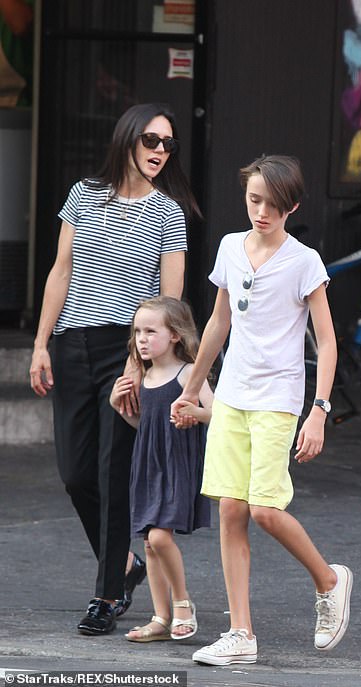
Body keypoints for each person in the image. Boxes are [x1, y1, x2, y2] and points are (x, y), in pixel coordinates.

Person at [170, 154, 353, 666]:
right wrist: (194, 384)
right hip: (232, 394)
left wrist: (318, 411)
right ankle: (242, 635)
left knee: (265, 511)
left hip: (278, 399)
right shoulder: (230, 247)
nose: (262, 212)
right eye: (254, 200)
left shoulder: (304, 261)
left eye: (273, 204)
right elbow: (218, 323)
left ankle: (330, 580)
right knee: (230, 509)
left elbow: (328, 342)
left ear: (291, 205)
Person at [29, 102, 200, 636]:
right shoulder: (83, 195)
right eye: (151, 140)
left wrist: (138, 361)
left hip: (129, 350)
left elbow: (170, 301)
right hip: (71, 346)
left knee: (110, 470)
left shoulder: (169, 212)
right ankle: (126, 566)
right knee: (75, 473)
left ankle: (106, 595)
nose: (159, 152)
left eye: (168, 145)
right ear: (128, 138)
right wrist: (40, 344)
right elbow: (61, 273)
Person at [110, 296, 213, 643]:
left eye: (151, 331)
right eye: (137, 331)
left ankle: (182, 605)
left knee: (158, 536)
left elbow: (217, 414)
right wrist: (117, 406)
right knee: (151, 545)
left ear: (175, 335)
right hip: (148, 465)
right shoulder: (145, 374)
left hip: (177, 465)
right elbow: (146, 425)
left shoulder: (188, 374)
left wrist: (193, 413)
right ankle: (161, 617)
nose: (141, 338)